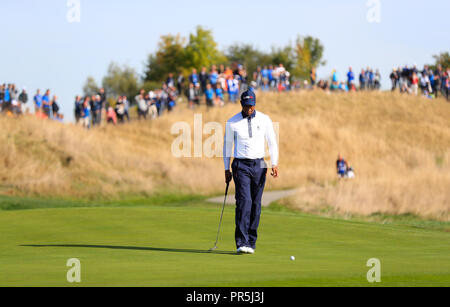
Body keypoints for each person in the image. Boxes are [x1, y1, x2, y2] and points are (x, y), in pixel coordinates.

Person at [223, 89, 279, 255]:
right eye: (247, 106)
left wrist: (274, 163)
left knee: (256, 204)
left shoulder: (264, 119)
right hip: (241, 165)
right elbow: (227, 147)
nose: (249, 109)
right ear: (241, 104)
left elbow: (272, 142)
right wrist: (226, 168)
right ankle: (242, 241)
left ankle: (251, 241)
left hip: (260, 165)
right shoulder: (232, 122)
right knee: (244, 201)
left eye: (252, 106)